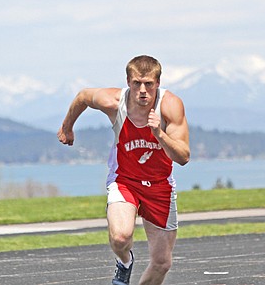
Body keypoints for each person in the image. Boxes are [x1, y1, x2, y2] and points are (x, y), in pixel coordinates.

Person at [57, 55, 190, 285]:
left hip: (160, 187)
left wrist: (159, 133)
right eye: (137, 83)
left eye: (148, 84)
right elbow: (83, 97)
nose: (142, 90)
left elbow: (183, 157)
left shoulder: (170, 106)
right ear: (128, 81)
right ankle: (125, 262)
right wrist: (67, 127)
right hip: (125, 180)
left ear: (158, 83)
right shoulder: (114, 102)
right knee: (120, 237)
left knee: (162, 263)